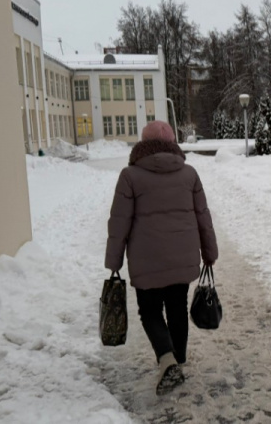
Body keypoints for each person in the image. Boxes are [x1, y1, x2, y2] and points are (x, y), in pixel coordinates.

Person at [105, 120, 219, 396]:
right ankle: (177, 358)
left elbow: (118, 223)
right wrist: (209, 252)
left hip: (146, 261)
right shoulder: (189, 174)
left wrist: (114, 261)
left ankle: (167, 360)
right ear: (173, 145)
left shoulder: (130, 175)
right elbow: (203, 217)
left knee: (150, 311)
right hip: (182, 257)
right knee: (177, 307)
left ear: (143, 145)